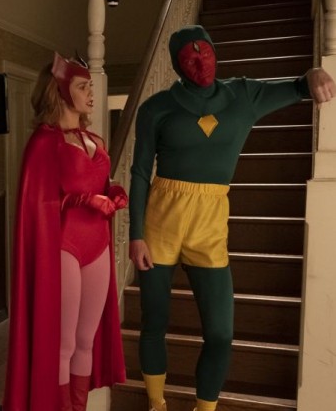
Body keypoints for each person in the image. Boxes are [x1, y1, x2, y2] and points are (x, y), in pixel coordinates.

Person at [128, 24, 335, 411]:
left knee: (221, 333)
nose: (200, 61)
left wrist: (313, 73)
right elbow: (140, 172)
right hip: (161, 221)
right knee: (154, 321)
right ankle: (156, 403)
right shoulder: (156, 108)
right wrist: (135, 234)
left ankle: (205, 409)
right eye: (189, 57)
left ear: (214, 51)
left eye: (205, 52)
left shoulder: (242, 95)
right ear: (176, 64)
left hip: (209, 222)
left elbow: (297, 87)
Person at [3, 52, 127, 411]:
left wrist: (113, 193)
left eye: (90, 86)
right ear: (59, 90)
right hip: (63, 246)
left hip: (97, 244)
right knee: (64, 344)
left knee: (86, 340)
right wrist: (83, 200)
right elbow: (39, 205)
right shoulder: (43, 143)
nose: (91, 93)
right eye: (82, 86)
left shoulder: (95, 140)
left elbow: (99, 182)